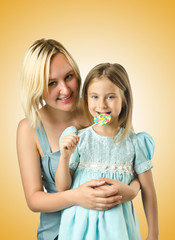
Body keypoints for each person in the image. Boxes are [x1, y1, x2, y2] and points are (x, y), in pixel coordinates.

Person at [17, 39, 140, 240]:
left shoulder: (99, 109)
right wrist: (77, 197)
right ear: (36, 87)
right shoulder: (30, 128)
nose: (65, 90)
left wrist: (131, 191)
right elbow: (33, 199)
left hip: (110, 231)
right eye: (51, 83)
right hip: (58, 233)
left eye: (69, 76)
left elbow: (134, 162)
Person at [55, 63, 159, 240]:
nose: (101, 105)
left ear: (124, 99)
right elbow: (62, 187)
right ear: (86, 99)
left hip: (118, 230)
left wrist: (153, 234)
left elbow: (148, 190)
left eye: (110, 97)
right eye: (94, 97)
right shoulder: (79, 139)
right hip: (78, 229)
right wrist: (64, 157)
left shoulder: (136, 143)